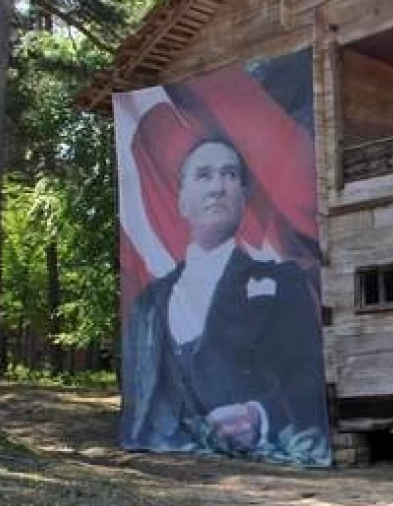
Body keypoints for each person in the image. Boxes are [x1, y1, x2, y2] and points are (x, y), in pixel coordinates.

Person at [120, 138, 329, 465]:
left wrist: (260, 415)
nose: (218, 187)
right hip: (164, 460)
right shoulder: (148, 302)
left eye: (229, 175)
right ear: (182, 201)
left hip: (262, 459)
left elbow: (310, 374)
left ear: (243, 198)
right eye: (204, 175)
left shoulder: (283, 282)